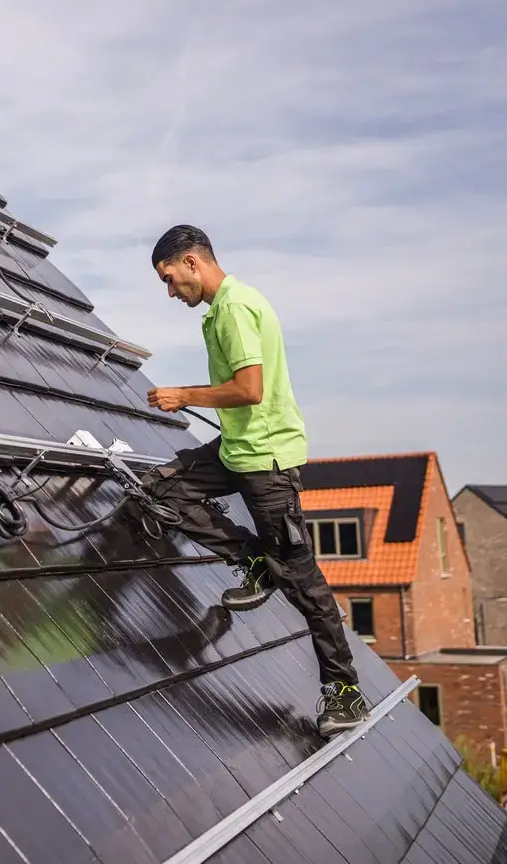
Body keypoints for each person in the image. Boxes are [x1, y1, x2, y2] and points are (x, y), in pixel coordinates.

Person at [141, 224, 368, 738]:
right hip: (236, 452)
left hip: (266, 462)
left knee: (303, 583)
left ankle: (346, 692)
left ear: (193, 263)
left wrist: (183, 396)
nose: (171, 292)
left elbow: (249, 388)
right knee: (164, 491)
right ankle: (252, 562)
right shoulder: (220, 312)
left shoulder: (237, 308)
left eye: (171, 279)